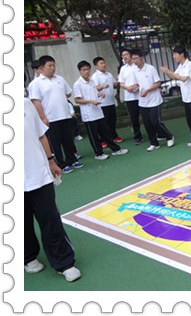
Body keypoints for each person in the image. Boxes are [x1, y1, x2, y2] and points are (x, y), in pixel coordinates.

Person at [24, 97, 81, 282]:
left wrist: (51, 161)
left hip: (38, 175)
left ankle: (64, 262)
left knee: (50, 220)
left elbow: (40, 134)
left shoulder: (25, 104)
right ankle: (28, 257)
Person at [28, 56, 83, 174]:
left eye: (54, 65)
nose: (52, 68)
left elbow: (68, 93)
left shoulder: (60, 79)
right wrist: (43, 117)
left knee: (68, 140)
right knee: (55, 143)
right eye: (49, 66)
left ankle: (72, 160)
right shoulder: (36, 83)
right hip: (50, 118)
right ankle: (61, 164)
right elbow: (36, 101)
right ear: (42, 67)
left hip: (64, 115)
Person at [73, 61, 129, 160]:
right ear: (80, 71)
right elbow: (77, 100)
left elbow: (93, 93)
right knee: (94, 135)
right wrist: (91, 101)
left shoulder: (91, 81)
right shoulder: (78, 84)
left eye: (87, 69)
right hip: (89, 115)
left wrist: (99, 94)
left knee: (106, 132)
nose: (86, 71)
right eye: (83, 70)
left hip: (98, 111)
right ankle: (98, 154)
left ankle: (115, 149)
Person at [161, 46, 191, 148]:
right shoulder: (181, 66)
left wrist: (169, 71)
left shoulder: (189, 65)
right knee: (190, 120)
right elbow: (173, 76)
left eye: (175, 54)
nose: (174, 57)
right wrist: (167, 72)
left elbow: (183, 78)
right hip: (186, 98)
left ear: (182, 54)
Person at [130, 49, 174, 151]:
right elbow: (137, 84)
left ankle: (169, 136)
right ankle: (154, 143)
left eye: (136, 58)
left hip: (154, 100)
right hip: (143, 101)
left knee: (155, 122)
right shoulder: (134, 71)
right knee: (147, 123)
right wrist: (134, 87)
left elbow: (158, 83)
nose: (134, 61)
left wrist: (147, 90)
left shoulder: (150, 69)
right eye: (133, 59)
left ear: (141, 58)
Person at [91, 56, 123, 146]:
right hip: (102, 104)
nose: (104, 65)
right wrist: (102, 86)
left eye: (104, 63)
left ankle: (114, 136)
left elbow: (114, 85)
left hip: (111, 102)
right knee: (104, 124)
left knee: (112, 121)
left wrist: (118, 80)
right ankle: (103, 140)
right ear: (96, 66)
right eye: (101, 63)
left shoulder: (109, 74)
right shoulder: (95, 76)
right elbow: (93, 89)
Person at [118, 49, 143, 145]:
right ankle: (137, 136)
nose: (124, 56)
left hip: (141, 95)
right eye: (123, 55)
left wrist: (137, 85)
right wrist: (127, 88)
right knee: (134, 119)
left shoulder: (137, 66)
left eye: (126, 54)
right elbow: (121, 83)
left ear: (131, 55)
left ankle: (154, 133)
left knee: (146, 116)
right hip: (129, 97)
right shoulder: (123, 69)